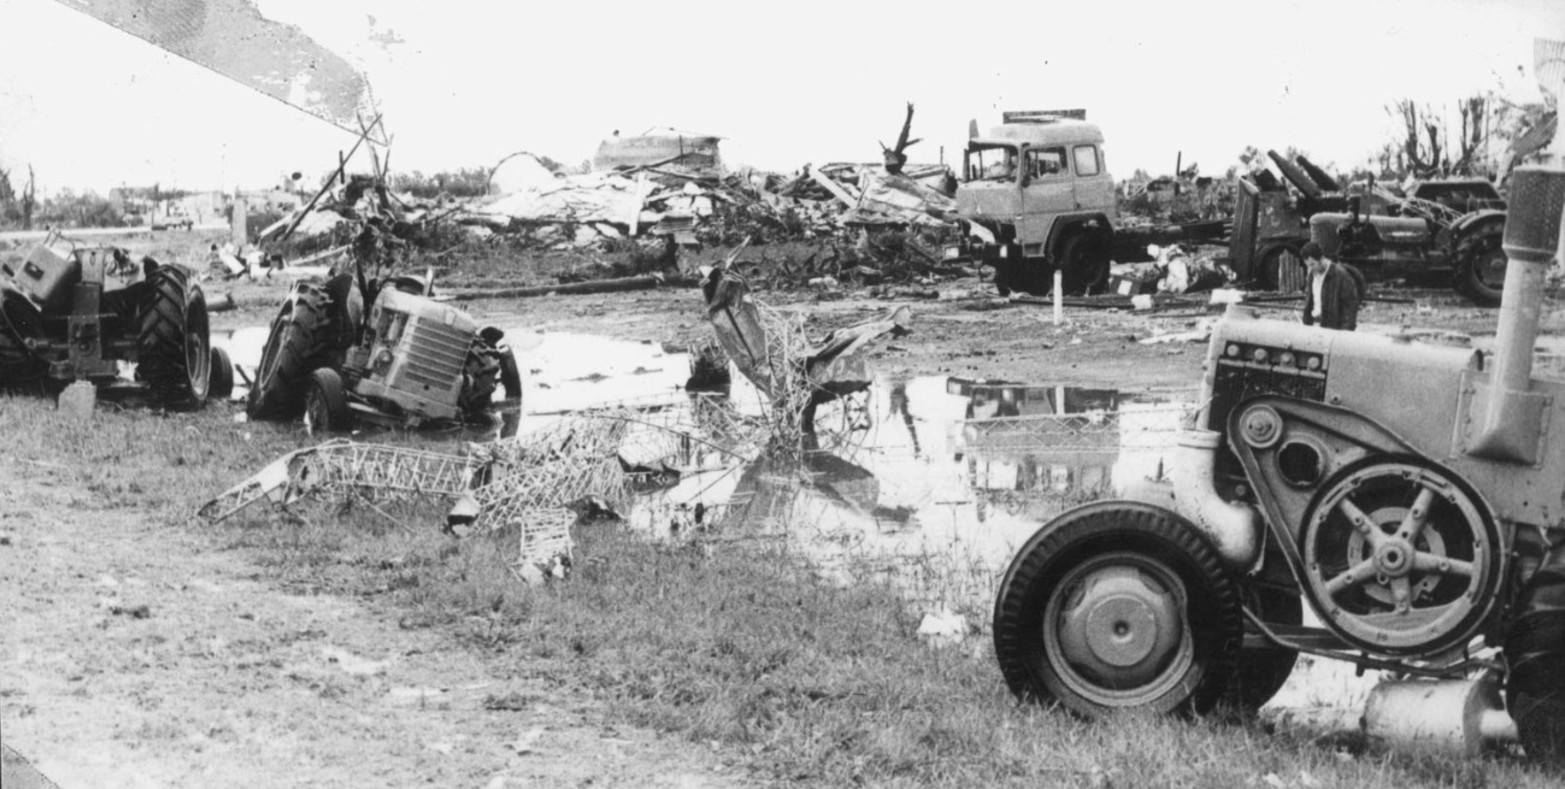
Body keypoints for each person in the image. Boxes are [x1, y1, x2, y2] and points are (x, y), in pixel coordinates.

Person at [1300, 241, 1363, 331]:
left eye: (1312, 264)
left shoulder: (1341, 276)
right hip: (1314, 326)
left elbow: (1350, 306)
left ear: (1322, 259)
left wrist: (1346, 332)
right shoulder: (1312, 275)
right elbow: (1309, 301)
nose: (1310, 269)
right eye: (1308, 266)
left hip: (1332, 329)